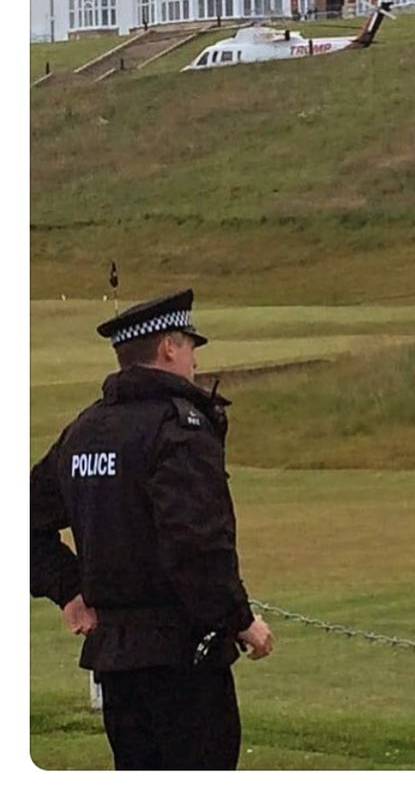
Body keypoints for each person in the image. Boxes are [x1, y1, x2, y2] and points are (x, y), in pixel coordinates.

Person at [30, 289, 274, 770]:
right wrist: (241, 621)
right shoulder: (180, 428)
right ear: (167, 348)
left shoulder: (85, 430)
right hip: (184, 659)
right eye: (189, 343)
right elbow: (198, 546)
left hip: (117, 663)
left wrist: (70, 590)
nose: (194, 357)